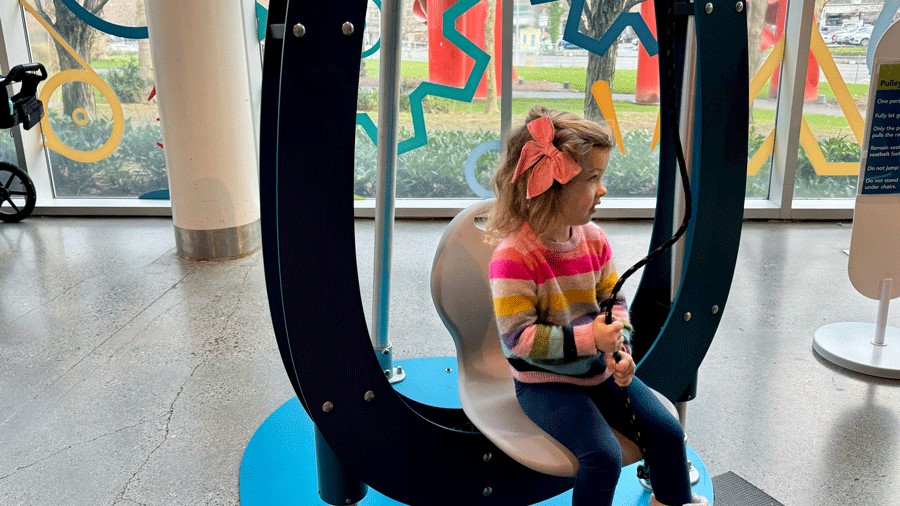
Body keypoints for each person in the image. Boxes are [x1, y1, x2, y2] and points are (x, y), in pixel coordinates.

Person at [486, 106, 707, 506]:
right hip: (544, 385)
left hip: (599, 371)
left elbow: (614, 300)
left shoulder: (594, 238)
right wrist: (593, 339)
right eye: (592, 179)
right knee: (601, 458)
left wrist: (620, 348)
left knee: (668, 432)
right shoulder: (514, 257)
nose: (602, 189)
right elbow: (519, 340)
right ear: (552, 187)